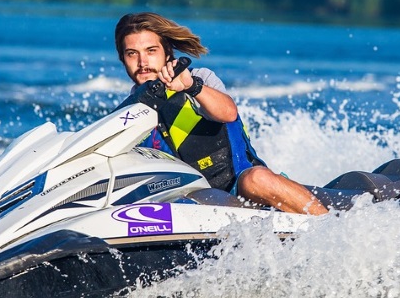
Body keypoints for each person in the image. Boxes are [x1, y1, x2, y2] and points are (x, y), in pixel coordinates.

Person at [114, 12, 328, 215]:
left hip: (240, 184)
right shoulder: (125, 114)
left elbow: (228, 113)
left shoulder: (199, 78)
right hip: (187, 199)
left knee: (256, 179)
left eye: (151, 51)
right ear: (123, 59)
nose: (142, 62)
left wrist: (191, 87)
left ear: (167, 53)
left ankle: (330, 228)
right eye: (132, 54)